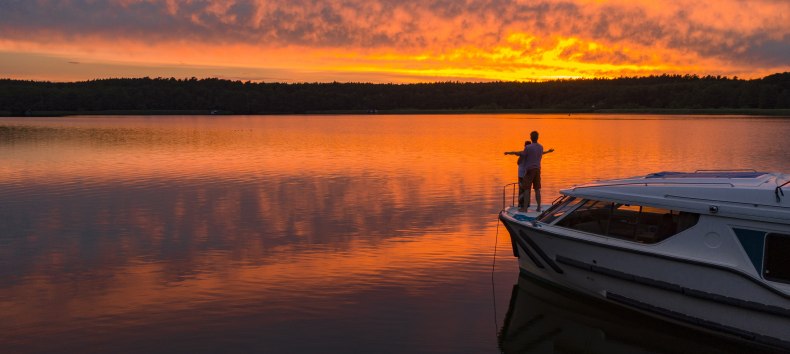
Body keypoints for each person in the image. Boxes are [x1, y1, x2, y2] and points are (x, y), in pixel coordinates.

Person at [504, 131, 554, 211]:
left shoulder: (528, 148)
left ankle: (524, 208)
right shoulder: (541, 147)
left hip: (530, 170)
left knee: (527, 189)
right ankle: (538, 207)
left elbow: (522, 155)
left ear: (531, 137)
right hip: (537, 170)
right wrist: (549, 151)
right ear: (537, 138)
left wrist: (514, 153)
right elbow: (541, 153)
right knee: (537, 189)